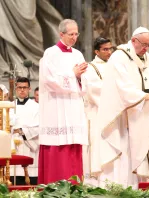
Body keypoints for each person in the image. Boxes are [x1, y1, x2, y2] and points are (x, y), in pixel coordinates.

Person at [91, 27, 149, 188]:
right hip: (123, 115)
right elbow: (122, 85)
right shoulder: (119, 57)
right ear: (133, 41)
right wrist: (142, 96)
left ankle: (142, 186)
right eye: (144, 44)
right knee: (125, 152)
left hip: (141, 113)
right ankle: (121, 188)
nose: (146, 48)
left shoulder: (146, 58)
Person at [38, 19, 88, 184]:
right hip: (56, 106)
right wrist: (72, 73)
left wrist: (80, 78)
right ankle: (54, 185)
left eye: (76, 34)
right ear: (61, 34)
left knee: (74, 145)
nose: (74, 37)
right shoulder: (50, 54)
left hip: (73, 107)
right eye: (71, 34)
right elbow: (49, 81)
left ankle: (75, 186)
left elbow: (85, 82)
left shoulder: (78, 54)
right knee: (58, 148)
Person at [81, 37, 113, 184]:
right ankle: (95, 182)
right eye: (105, 49)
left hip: (115, 114)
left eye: (110, 48)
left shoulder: (115, 65)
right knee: (97, 146)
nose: (109, 52)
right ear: (96, 51)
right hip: (96, 113)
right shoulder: (90, 68)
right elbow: (94, 91)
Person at [10, 77, 39, 185]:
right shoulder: (10, 106)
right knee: (14, 181)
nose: (22, 90)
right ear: (16, 89)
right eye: (19, 88)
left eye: (24, 88)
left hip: (29, 145)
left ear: (29, 89)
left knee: (31, 184)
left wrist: (22, 131)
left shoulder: (36, 107)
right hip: (13, 145)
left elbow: (39, 128)